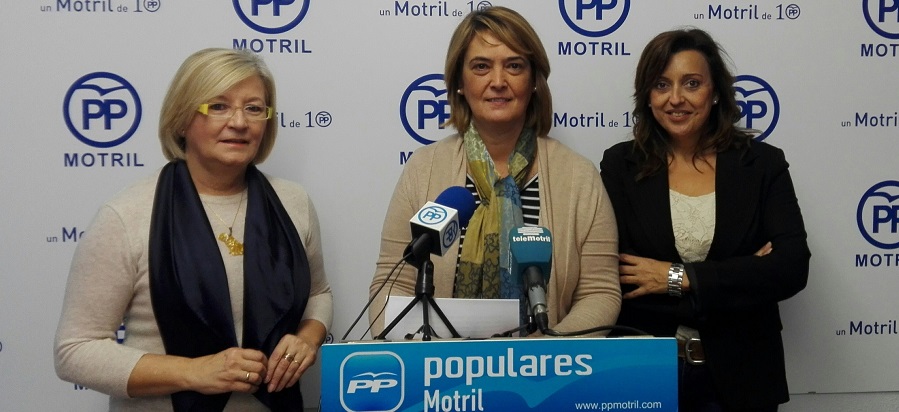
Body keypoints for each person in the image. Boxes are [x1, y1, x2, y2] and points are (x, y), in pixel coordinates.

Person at [54, 48, 332, 411]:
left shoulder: (294, 202)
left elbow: (318, 293)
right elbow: (75, 351)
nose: (239, 122)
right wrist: (194, 372)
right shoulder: (127, 215)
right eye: (218, 106)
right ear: (182, 119)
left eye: (253, 108)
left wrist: (308, 338)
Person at [368, 6, 620, 338]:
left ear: (534, 81)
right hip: (440, 365)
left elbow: (599, 291)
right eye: (481, 67)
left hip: (545, 364)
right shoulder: (423, 169)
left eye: (514, 66)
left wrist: (545, 352)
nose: (498, 82)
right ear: (460, 82)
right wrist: (423, 353)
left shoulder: (578, 177)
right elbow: (393, 281)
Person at [599, 29, 810, 411]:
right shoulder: (620, 166)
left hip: (743, 376)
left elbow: (791, 268)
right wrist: (743, 277)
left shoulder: (762, 165)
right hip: (644, 372)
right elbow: (621, 277)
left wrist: (675, 278)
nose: (675, 98)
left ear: (715, 92)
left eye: (691, 83)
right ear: (647, 95)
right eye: (661, 84)